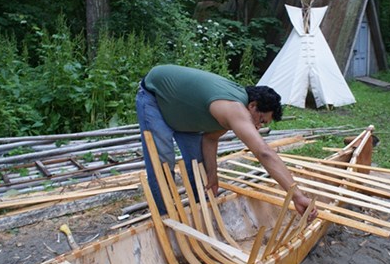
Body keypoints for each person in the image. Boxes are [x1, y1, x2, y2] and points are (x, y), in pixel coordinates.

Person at [135, 64, 317, 221]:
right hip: (155, 96)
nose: (257, 126)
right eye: (260, 120)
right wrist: (297, 196)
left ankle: (201, 212)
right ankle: (166, 216)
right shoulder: (234, 109)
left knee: (198, 166)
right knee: (163, 163)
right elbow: (264, 152)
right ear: (252, 105)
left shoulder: (231, 112)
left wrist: (212, 174)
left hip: (182, 110)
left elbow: (210, 138)